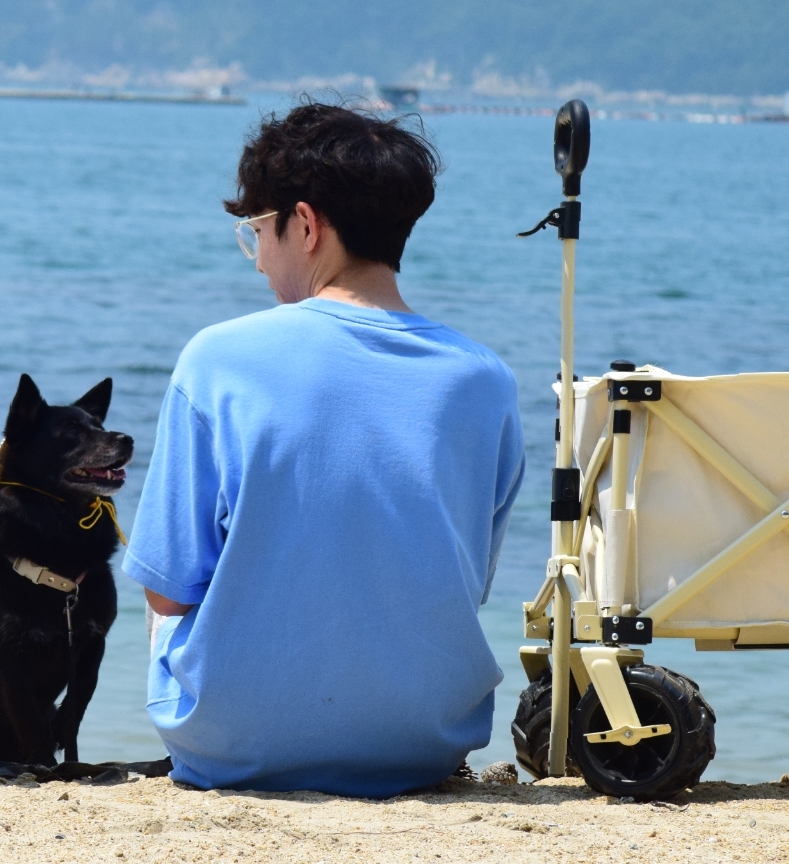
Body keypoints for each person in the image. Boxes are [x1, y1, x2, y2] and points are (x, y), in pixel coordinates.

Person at [122, 103, 523, 796]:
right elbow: (465, 580)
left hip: (234, 746)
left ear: (304, 225)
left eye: (256, 232)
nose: (257, 263)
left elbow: (166, 585)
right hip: (422, 743)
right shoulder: (483, 378)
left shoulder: (221, 358)